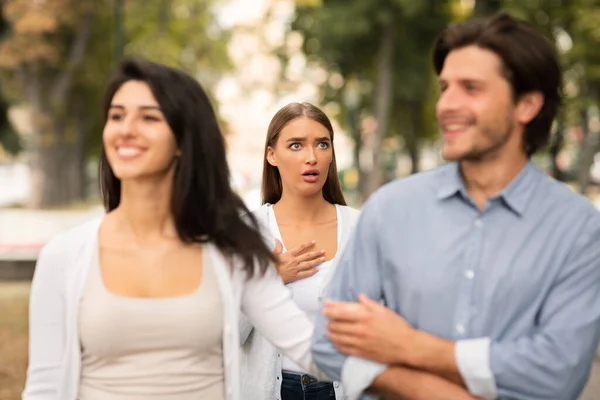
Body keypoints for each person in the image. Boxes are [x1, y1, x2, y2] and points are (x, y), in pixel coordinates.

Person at [311, 12, 600, 400]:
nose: (446, 104)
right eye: (445, 87)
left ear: (526, 105)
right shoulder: (390, 210)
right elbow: (328, 343)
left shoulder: (578, 228)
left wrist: (409, 345)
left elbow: (557, 371)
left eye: (471, 88)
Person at [23, 58, 327, 400]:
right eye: (117, 115)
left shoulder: (232, 250)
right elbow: (44, 389)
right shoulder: (64, 256)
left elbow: (312, 352)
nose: (126, 129)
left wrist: (392, 355)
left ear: (184, 140)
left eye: (149, 117)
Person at [240, 102, 360, 400]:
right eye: (296, 145)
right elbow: (225, 335)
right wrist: (270, 279)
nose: (312, 157)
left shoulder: (362, 227)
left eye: (322, 144)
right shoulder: (247, 232)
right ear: (271, 155)